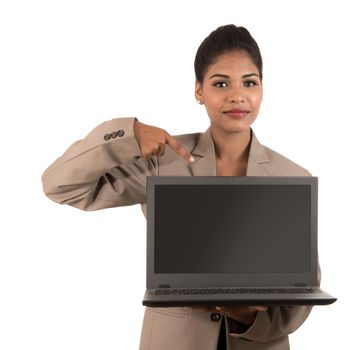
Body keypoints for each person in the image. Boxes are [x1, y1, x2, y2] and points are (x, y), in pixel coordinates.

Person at [42, 24, 319, 350]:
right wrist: (128, 133)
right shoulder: (164, 161)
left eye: (249, 82)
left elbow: (304, 288)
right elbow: (60, 185)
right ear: (199, 91)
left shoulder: (290, 176)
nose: (237, 94)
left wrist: (248, 317)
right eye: (220, 83)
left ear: (262, 90)